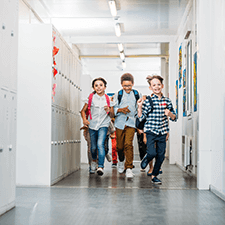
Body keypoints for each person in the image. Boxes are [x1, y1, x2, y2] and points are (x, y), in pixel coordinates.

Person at [137, 75, 176, 184]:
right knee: (152, 153)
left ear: (162, 86)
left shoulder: (167, 101)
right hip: (150, 131)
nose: (157, 87)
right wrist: (139, 106)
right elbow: (141, 117)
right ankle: (146, 158)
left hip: (162, 131)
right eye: (154, 85)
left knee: (161, 155)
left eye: (158, 84)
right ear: (150, 88)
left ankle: (154, 175)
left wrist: (170, 114)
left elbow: (174, 118)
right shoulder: (148, 101)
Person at [80, 77, 114, 176]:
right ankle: (94, 161)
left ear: (105, 87)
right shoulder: (90, 98)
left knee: (100, 144)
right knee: (93, 147)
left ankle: (100, 166)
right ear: (93, 88)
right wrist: (84, 120)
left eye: (101, 85)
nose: (98, 87)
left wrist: (109, 110)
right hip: (92, 125)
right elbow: (83, 111)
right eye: (96, 85)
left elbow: (112, 115)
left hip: (103, 125)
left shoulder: (108, 99)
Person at [113, 73, 142, 178]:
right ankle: (121, 161)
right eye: (125, 86)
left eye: (129, 85)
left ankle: (129, 167)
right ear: (121, 84)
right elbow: (114, 108)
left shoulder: (137, 93)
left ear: (133, 84)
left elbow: (140, 107)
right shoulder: (118, 94)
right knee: (119, 146)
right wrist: (121, 110)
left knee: (128, 144)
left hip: (131, 122)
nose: (127, 88)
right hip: (120, 122)